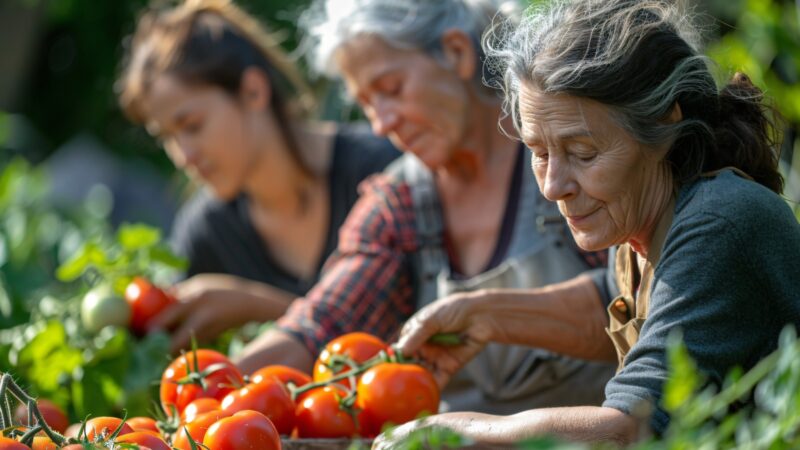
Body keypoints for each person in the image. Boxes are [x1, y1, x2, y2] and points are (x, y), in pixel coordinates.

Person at [378, 0, 800, 447]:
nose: (552, 186)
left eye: (583, 154)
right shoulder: (645, 222)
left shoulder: (719, 221)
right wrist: (484, 316)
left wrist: (459, 434)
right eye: (539, 153)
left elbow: (629, 427)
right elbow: (625, 301)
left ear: (663, 124)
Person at [236, 0, 616, 415]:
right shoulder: (399, 204)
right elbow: (321, 326)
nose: (380, 123)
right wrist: (216, 398)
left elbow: (636, 300)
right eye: (366, 103)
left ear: (457, 52)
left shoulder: (560, 164)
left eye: (391, 89)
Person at [116, 0, 400, 352]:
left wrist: (253, 306)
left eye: (191, 126)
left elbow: (417, 334)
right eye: (167, 138)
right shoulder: (207, 234)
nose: (183, 156)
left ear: (253, 91)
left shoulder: (381, 172)